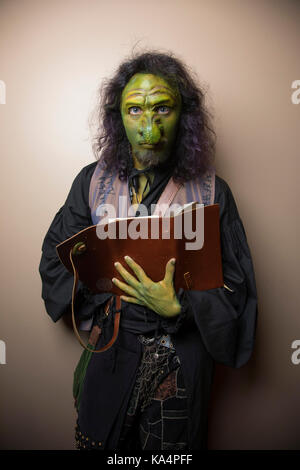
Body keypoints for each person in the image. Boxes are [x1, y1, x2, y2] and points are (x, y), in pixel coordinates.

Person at [39, 51, 258, 451]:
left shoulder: (213, 194)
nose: (149, 128)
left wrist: (180, 307)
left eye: (163, 109)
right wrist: (104, 286)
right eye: (135, 110)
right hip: (111, 352)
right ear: (118, 117)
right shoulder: (91, 183)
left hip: (180, 367)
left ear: (184, 117)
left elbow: (237, 290)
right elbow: (56, 263)